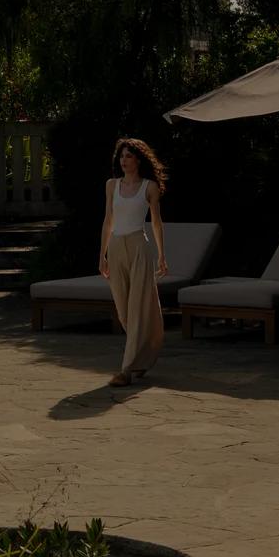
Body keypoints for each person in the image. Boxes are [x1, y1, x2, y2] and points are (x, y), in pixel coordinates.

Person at [98, 137, 169, 387]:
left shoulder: (149, 187)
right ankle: (144, 350)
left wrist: (161, 255)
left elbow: (157, 223)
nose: (124, 160)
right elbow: (108, 220)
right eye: (122, 156)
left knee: (139, 306)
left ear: (139, 159)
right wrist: (102, 255)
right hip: (116, 246)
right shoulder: (111, 185)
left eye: (129, 156)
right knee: (124, 309)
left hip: (139, 245)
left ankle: (126, 370)